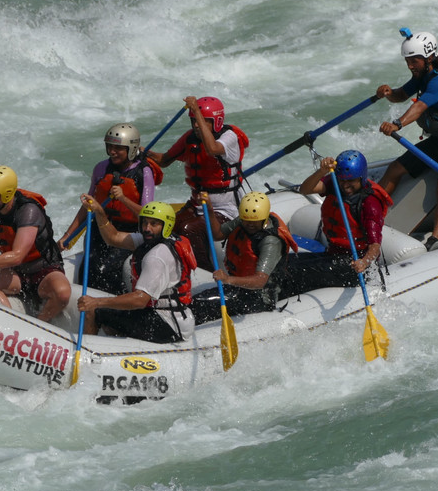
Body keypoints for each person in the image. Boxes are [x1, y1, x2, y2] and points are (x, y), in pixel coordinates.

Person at [376, 29, 438, 251]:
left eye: (414, 60)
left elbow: (419, 106)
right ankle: (371, 215)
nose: (410, 65)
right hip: (437, 142)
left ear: (429, 58)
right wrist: (387, 92)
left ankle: (435, 240)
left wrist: (398, 124)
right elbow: (402, 95)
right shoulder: (422, 75)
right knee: (395, 169)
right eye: (407, 61)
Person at [0, 165, 71, 323]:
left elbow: (17, 256)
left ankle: (41, 323)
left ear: (7, 194)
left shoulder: (28, 211)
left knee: (63, 293)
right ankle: (10, 324)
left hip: (44, 270)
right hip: (17, 273)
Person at [58, 123, 163, 293]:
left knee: (110, 270)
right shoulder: (101, 168)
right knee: (90, 268)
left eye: (118, 148)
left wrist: (123, 198)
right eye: (110, 146)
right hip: (100, 228)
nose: (112, 151)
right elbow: (87, 208)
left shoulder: (144, 172)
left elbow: (147, 214)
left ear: (131, 148)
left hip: (128, 232)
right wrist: (67, 237)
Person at [148, 95, 249, 271]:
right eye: (193, 120)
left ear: (216, 122)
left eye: (202, 121)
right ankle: (173, 269)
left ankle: (205, 273)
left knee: (189, 229)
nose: (196, 125)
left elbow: (212, 149)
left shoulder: (229, 137)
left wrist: (196, 110)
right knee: (168, 227)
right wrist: (143, 152)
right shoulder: (190, 138)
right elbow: (164, 160)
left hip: (226, 209)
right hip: (197, 204)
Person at [76, 198, 196, 343]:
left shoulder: (157, 256)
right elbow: (113, 238)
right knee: (113, 313)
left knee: (93, 312)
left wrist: (97, 302)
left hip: (168, 323)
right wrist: (100, 212)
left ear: (166, 225)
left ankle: (88, 350)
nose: (147, 228)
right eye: (145, 222)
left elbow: (140, 300)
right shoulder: (155, 239)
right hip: (171, 315)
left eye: (154, 224)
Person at [285, 150, 392, 293]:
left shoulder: (370, 204)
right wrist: (321, 172)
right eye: (342, 180)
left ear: (362, 177)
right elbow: (305, 189)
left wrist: (364, 262)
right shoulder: (335, 184)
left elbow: (375, 246)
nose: (346, 185)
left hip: (355, 264)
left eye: (351, 181)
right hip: (333, 255)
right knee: (285, 263)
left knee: (296, 271)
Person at [191, 191, 298, 324]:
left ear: (264, 218)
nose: (249, 225)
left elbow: (260, 281)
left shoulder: (270, 242)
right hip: (239, 286)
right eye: (246, 221)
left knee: (200, 304)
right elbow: (217, 234)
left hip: (259, 297)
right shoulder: (244, 220)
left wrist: (228, 279)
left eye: (254, 222)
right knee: (196, 301)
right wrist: (210, 210)